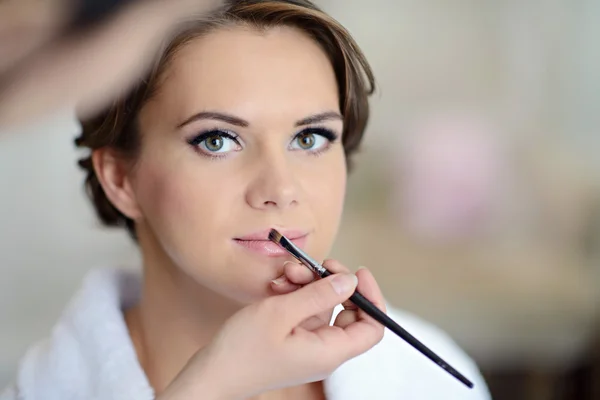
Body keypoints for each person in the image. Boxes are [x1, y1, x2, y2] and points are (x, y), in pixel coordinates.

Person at [1, 1, 491, 399]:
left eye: (311, 138)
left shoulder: (423, 380)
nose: (280, 190)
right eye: (216, 140)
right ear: (120, 179)